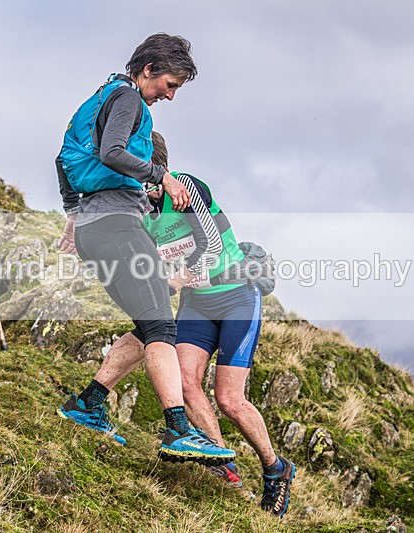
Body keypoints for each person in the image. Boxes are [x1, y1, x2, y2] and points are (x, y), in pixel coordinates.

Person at [62, 131, 296, 517]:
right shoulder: (139, 209)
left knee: (230, 399)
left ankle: (275, 468)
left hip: (236, 295)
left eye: (144, 179)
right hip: (196, 305)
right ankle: (224, 466)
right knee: (185, 383)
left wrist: (178, 277)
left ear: (159, 169)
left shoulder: (186, 188)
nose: (140, 187)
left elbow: (213, 246)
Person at [55, 34, 235, 466]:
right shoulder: (129, 99)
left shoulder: (99, 97)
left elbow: (64, 160)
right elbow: (112, 152)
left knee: (147, 325)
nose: (170, 96)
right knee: (162, 330)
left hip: (97, 229)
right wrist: (163, 175)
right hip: (118, 225)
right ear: (148, 69)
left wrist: (74, 215)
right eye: (169, 85)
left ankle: (88, 404)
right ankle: (178, 429)